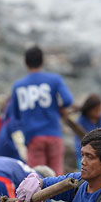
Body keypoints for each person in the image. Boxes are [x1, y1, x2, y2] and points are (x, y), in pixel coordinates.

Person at [9, 46, 74, 175]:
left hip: (33, 136)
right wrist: (58, 108)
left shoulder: (19, 86)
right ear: (42, 61)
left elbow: (15, 114)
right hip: (53, 133)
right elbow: (68, 100)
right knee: (57, 175)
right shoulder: (54, 80)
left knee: (36, 176)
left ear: (26, 62)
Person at [73, 94, 101, 168]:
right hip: (87, 154)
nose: (98, 112)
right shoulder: (81, 121)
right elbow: (79, 143)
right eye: (95, 110)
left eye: (100, 109)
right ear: (89, 110)